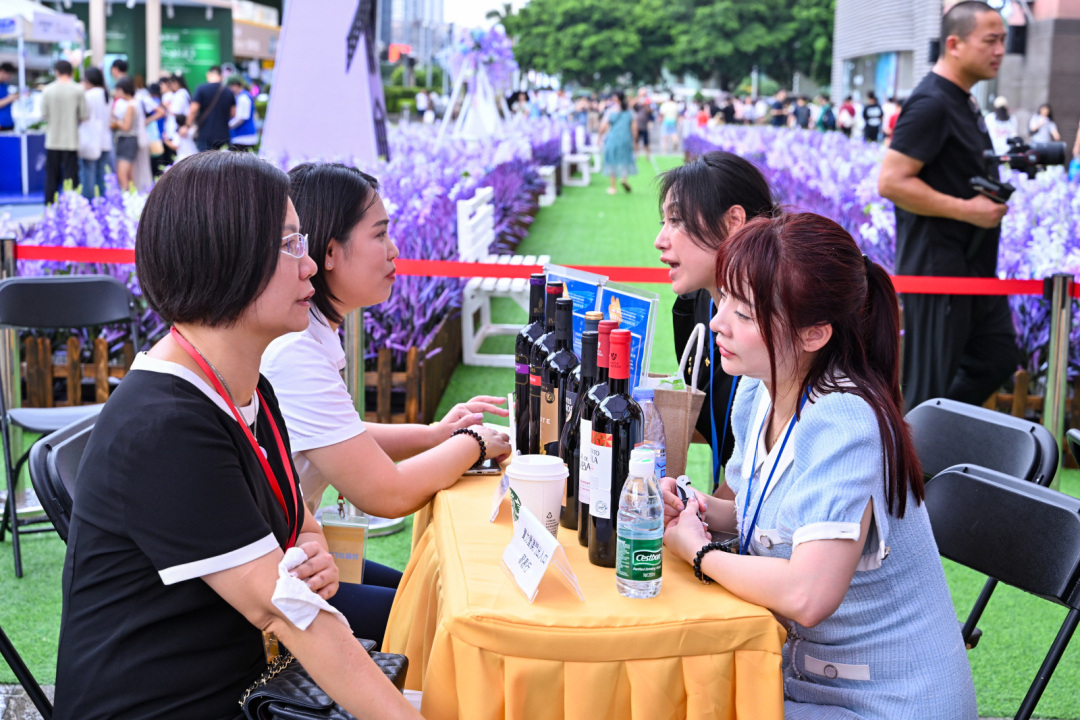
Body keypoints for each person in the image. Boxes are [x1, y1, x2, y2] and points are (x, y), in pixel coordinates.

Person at [52, 151, 421, 720]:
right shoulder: (166, 426)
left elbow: (298, 520)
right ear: (226, 257)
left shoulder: (245, 386)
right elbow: (288, 613)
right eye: (290, 245)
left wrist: (314, 550)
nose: (310, 266)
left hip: (252, 688)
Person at [662, 212, 977, 720]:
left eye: (745, 314)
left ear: (814, 334)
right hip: (800, 678)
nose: (718, 322)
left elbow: (808, 594)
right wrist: (696, 509)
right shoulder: (758, 390)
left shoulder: (844, 421)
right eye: (725, 301)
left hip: (886, 704)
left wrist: (699, 552)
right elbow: (767, 517)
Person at [262, 162, 512, 644]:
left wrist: (436, 436)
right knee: (433, 618)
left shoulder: (310, 334)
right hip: (276, 579)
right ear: (329, 252)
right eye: (379, 234)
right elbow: (387, 494)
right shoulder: (294, 351)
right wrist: (473, 443)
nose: (394, 250)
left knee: (424, 595)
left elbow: (342, 435)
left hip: (298, 554)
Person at [879, 1, 1016, 411]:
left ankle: (938, 432)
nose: (999, 50)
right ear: (954, 44)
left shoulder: (963, 101)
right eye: (990, 40)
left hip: (973, 270)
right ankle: (916, 442)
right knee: (929, 388)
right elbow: (891, 181)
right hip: (938, 272)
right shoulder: (931, 102)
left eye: (1003, 40)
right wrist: (968, 210)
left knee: (997, 358)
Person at [656, 151, 777, 494]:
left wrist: (703, 513)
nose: (660, 240)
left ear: (732, 222)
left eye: (676, 220)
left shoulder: (779, 321)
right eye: (663, 222)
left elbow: (767, 469)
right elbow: (704, 416)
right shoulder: (695, 303)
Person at [41, 60, 87, 205]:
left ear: (56, 71)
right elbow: (83, 115)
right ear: (71, 72)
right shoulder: (78, 89)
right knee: (71, 175)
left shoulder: (47, 90)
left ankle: (49, 205)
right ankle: (71, 206)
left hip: (52, 139)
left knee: (51, 175)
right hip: (71, 139)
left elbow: (44, 114)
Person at [78, 67, 112, 199]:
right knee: (102, 174)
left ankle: (88, 203)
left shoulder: (88, 95)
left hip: (90, 139)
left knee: (88, 175)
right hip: (105, 139)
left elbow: (83, 116)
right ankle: (102, 203)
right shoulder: (106, 94)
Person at [184, 65, 236, 152]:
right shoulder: (228, 91)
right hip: (223, 135)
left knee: (205, 159)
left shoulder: (201, 89)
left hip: (205, 134)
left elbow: (193, 110)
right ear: (221, 76)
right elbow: (233, 113)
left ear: (208, 74)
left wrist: (187, 125)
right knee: (222, 160)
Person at [600, 91, 637, 195]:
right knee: (625, 159)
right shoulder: (629, 111)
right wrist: (635, 141)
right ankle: (624, 179)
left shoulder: (610, 110)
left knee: (611, 160)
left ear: (615, 98)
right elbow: (634, 128)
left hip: (613, 138)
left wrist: (599, 137)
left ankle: (613, 187)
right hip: (626, 138)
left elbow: (603, 126)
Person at [110, 77, 139, 191]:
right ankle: (133, 197)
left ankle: (127, 197)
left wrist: (116, 121)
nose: (117, 93)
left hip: (127, 140)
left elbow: (126, 126)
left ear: (124, 89)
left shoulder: (130, 105)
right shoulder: (133, 102)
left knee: (122, 175)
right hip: (130, 140)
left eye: (119, 90)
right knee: (130, 175)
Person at [227, 75, 258, 149]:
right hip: (243, 136)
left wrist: (227, 126)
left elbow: (241, 118)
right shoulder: (242, 96)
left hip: (243, 137)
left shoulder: (243, 98)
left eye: (230, 87)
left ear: (236, 85)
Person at [634, 94, 653, 160]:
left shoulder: (647, 108)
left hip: (644, 128)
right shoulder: (638, 107)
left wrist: (646, 104)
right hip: (637, 128)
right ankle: (636, 155)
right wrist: (639, 97)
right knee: (636, 142)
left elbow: (650, 112)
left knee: (646, 143)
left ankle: (647, 156)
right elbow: (633, 104)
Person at [0, 62, 17, 132]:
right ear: (2, 72)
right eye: (9, 75)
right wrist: (11, 98)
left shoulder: (5, 84)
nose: (9, 78)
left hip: (8, 123)